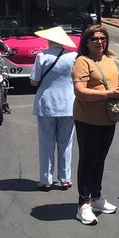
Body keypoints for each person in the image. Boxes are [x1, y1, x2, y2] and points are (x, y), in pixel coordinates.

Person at [72, 24, 119, 225]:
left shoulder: (109, 60)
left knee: (100, 159)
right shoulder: (82, 62)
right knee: (88, 160)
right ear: (86, 42)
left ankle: (96, 197)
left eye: (103, 38)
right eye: (94, 38)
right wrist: (109, 94)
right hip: (87, 119)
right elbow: (80, 92)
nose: (99, 42)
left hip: (107, 118)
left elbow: (115, 82)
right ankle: (83, 203)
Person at [30, 26, 78, 191]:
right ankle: (65, 179)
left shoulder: (42, 56)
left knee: (46, 141)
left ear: (50, 40)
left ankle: (46, 180)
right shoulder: (73, 56)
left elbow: (34, 81)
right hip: (68, 104)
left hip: (47, 103)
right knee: (66, 142)